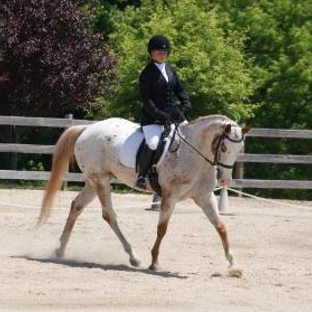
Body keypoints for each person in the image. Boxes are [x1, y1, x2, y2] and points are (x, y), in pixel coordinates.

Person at [136, 35, 192, 189]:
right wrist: (160, 115)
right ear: (151, 53)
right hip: (152, 117)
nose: (162, 54)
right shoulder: (147, 73)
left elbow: (180, 89)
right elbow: (146, 100)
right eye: (158, 52)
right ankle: (142, 175)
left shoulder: (170, 69)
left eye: (164, 52)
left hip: (173, 115)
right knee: (153, 144)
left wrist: (186, 103)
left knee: (189, 139)